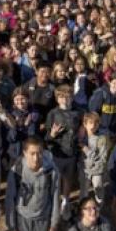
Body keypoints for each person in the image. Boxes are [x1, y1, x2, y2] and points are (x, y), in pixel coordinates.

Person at [5, 137, 61, 231]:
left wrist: (54, 222)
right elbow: (10, 199)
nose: (37, 158)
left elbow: (55, 197)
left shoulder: (51, 172)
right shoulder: (16, 171)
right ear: (24, 153)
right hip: (22, 218)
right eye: (32, 153)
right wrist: (11, 226)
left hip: (42, 218)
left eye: (40, 153)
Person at [45, 85, 81, 219]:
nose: (65, 99)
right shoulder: (53, 114)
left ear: (72, 97)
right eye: (61, 96)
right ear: (57, 99)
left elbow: (82, 129)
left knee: (68, 180)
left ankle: (65, 203)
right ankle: (53, 205)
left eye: (67, 96)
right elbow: (47, 138)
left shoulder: (78, 113)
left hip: (72, 153)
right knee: (55, 181)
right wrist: (52, 134)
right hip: (57, 153)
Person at [79, 112, 110, 204]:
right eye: (90, 123)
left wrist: (86, 150)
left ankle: (99, 207)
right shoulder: (81, 137)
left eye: (96, 123)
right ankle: (82, 210)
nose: (93, 125)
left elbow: (103, 157)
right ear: (85, 124)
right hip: (84, 170)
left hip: (97, 170)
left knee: (98, 189)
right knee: (84, 191)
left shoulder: (101, 138)